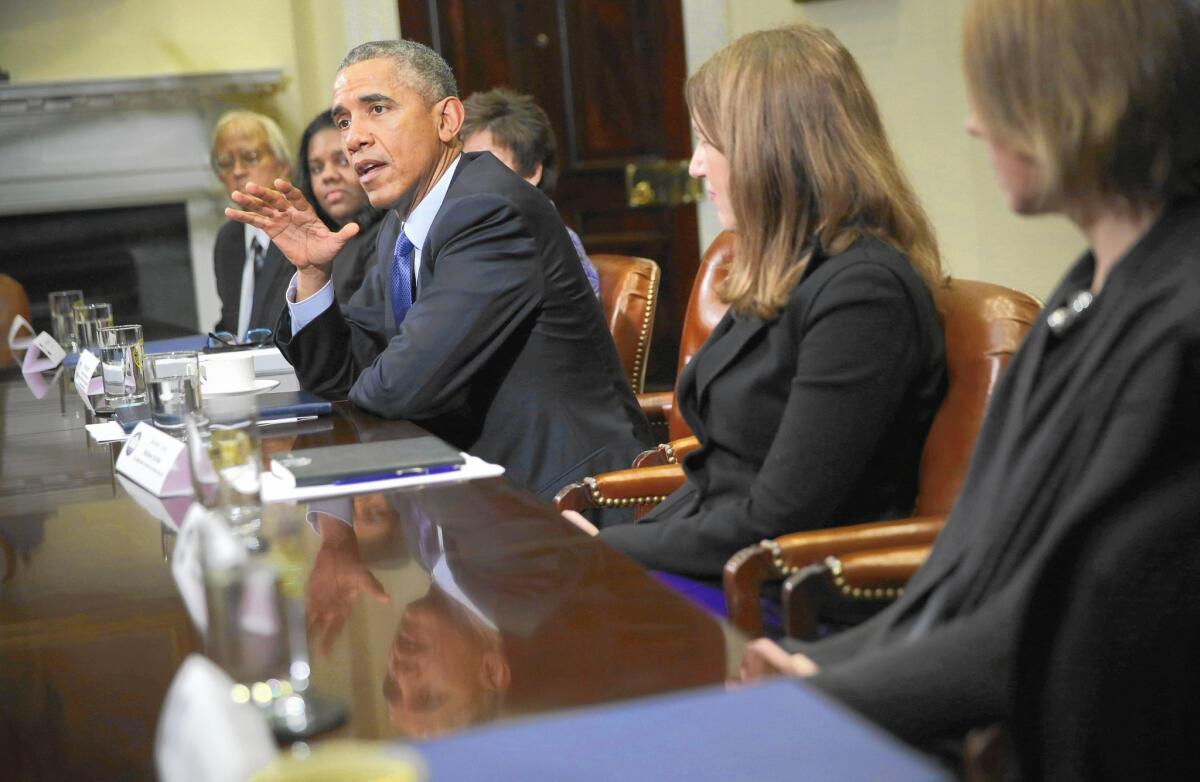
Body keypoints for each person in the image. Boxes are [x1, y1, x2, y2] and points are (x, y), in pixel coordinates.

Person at [740, 0, 1200, 757]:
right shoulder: (1091, 285)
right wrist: (815, 663)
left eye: (993, 90)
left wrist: (817, 695)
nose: (974, 123)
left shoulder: (1178, 328)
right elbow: (964, 572)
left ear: (1076, 93)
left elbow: (1047, 623)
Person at [564, 25, 947, 580]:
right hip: (714, 560)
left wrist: (606, 553)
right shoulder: (784, 266)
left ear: (773, 151)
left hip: (783, 595)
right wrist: (608, 543)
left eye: (708, 143)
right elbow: (717, 481)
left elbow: (777, 518)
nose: (696, 167)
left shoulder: (864, 294)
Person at [225, 40, 652, 504]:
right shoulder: (401, 228)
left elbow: (397, 389)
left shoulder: (490, 213)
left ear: (447, 120)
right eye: (345, 120)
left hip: (569, 498)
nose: (353, 139)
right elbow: (340, 373)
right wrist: (312, 273)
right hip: (474, 491)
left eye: (378, 109)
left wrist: (371, 374)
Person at [461, 88, 600, 298]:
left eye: (489, 165)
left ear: (533, 171)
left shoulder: (544, 243)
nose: (472, 179)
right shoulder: (468, 233)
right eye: (465, 165)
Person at [209, 111, 294, 338]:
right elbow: (232, 323)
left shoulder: (302, 231)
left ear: (282, 166)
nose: (237, 171)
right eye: (226, 162)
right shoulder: (228, 239)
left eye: (251, 156)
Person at [296, 111, 385, 306]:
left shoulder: (389, 234)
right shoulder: (307, 241)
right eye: (317, 168)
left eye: (342, 161)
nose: (327, 176)